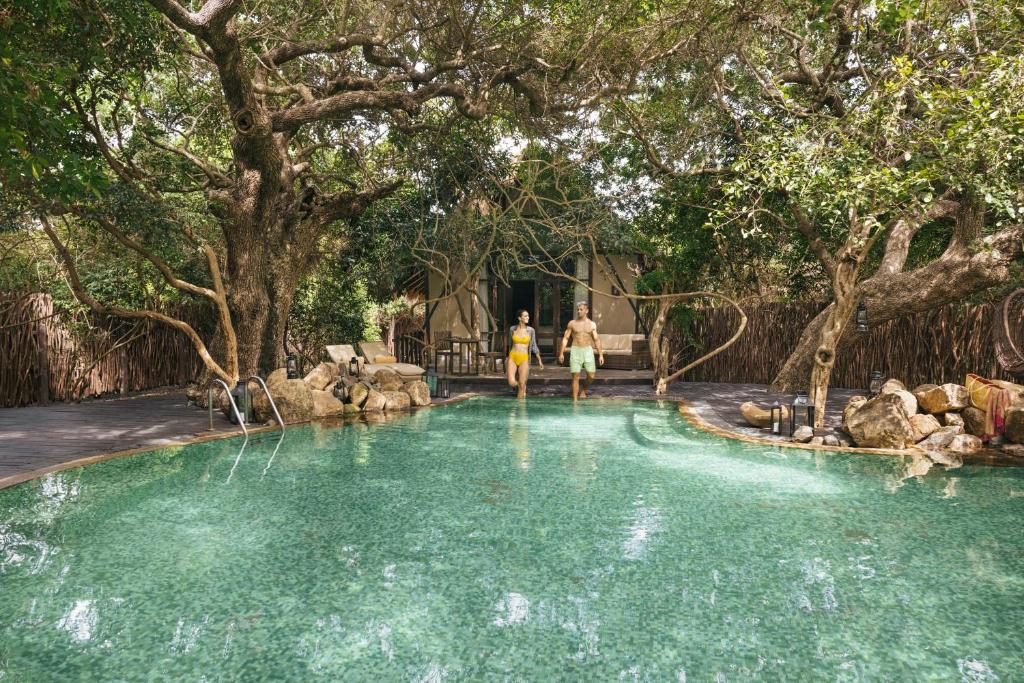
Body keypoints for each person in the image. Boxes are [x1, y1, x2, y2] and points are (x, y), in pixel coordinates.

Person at [558, 301, 604, 400]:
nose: (578, 311)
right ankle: (575, 401)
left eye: (581, 309)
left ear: (586, 311)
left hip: (588, 351)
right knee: (575, 376)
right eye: (577, 309)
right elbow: (565, 338)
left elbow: (596, 339)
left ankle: (583, 390)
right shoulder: (572, 323)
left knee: (591, 375)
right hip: (575, 350)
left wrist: (601, 354)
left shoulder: (592, 324)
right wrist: (561, 353)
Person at [507, 309, 544, 398]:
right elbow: (510, 344)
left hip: (524, 358)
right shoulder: (512, 329)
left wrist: (539, 360)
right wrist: (507, 357)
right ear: (519, 318)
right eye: (525, 316)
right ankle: (521, 387)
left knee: (522, 383)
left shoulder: (531, 330)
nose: (528, 317)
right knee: (511, 382)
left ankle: (520, 406)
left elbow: (534, 345)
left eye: (528, 316)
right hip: (512, 357)